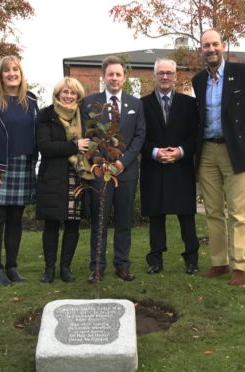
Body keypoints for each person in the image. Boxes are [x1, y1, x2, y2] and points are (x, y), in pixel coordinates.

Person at [191, 29, 245, 286]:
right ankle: (219, 263)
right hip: (207, 151)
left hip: (236, 150)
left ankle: (239, 266)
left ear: (223, 46)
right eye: (205, 45)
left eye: (214, 44)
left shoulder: (242, 73)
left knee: (237, 212)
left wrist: (242, 136)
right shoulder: (198, 81)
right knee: (213, 211)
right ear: (201, 49)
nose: (210, 49)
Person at [82, 55, 146, 283]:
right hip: (100, 173)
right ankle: (96, 266)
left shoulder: (135, 104)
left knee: (123, 221)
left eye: (118, 74)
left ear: (124, 77)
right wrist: (102, 161)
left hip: (126, 173)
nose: (114, 78)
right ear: (103, 76)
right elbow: (88, 135)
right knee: (99, 221)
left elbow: (140, 137)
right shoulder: (90, 103)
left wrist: (121, 162)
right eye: (110, 74)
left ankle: (122, 265)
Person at [0, 55, 38, 286]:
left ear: (21, 74)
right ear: (0, 74)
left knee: (15, 219)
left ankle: (12, 267)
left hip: (24, 164)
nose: (12, 73)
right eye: (7, 70)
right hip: (0, 165)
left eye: (16, 70)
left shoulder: (30, 100)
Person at [140, 58, 200, 275]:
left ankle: (191, 259)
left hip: (180, 167)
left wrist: (181, 151)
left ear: (176, 76)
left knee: (186, 216)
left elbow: (196, 136)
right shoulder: (142, 104)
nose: (165, 77)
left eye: (169, 73)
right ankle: (155, 260)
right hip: (153, 167)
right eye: (161, 73)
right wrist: (155, 153)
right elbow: (139, 137)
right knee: (156, 215)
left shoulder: (189, 104)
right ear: (154, 76)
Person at [35, 77, 93, 284]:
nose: (69, 96)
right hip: (53, 176)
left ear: (78, 96)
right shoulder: (45, 115)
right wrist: (74, 145)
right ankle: (49, 269)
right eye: (65, 92)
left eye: (73, 93)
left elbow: (92, 145)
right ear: (58, 94)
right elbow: (45, 147)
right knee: (51, 225)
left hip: (77, 176)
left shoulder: (84, 117)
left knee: (73, 225)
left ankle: (65, 268)